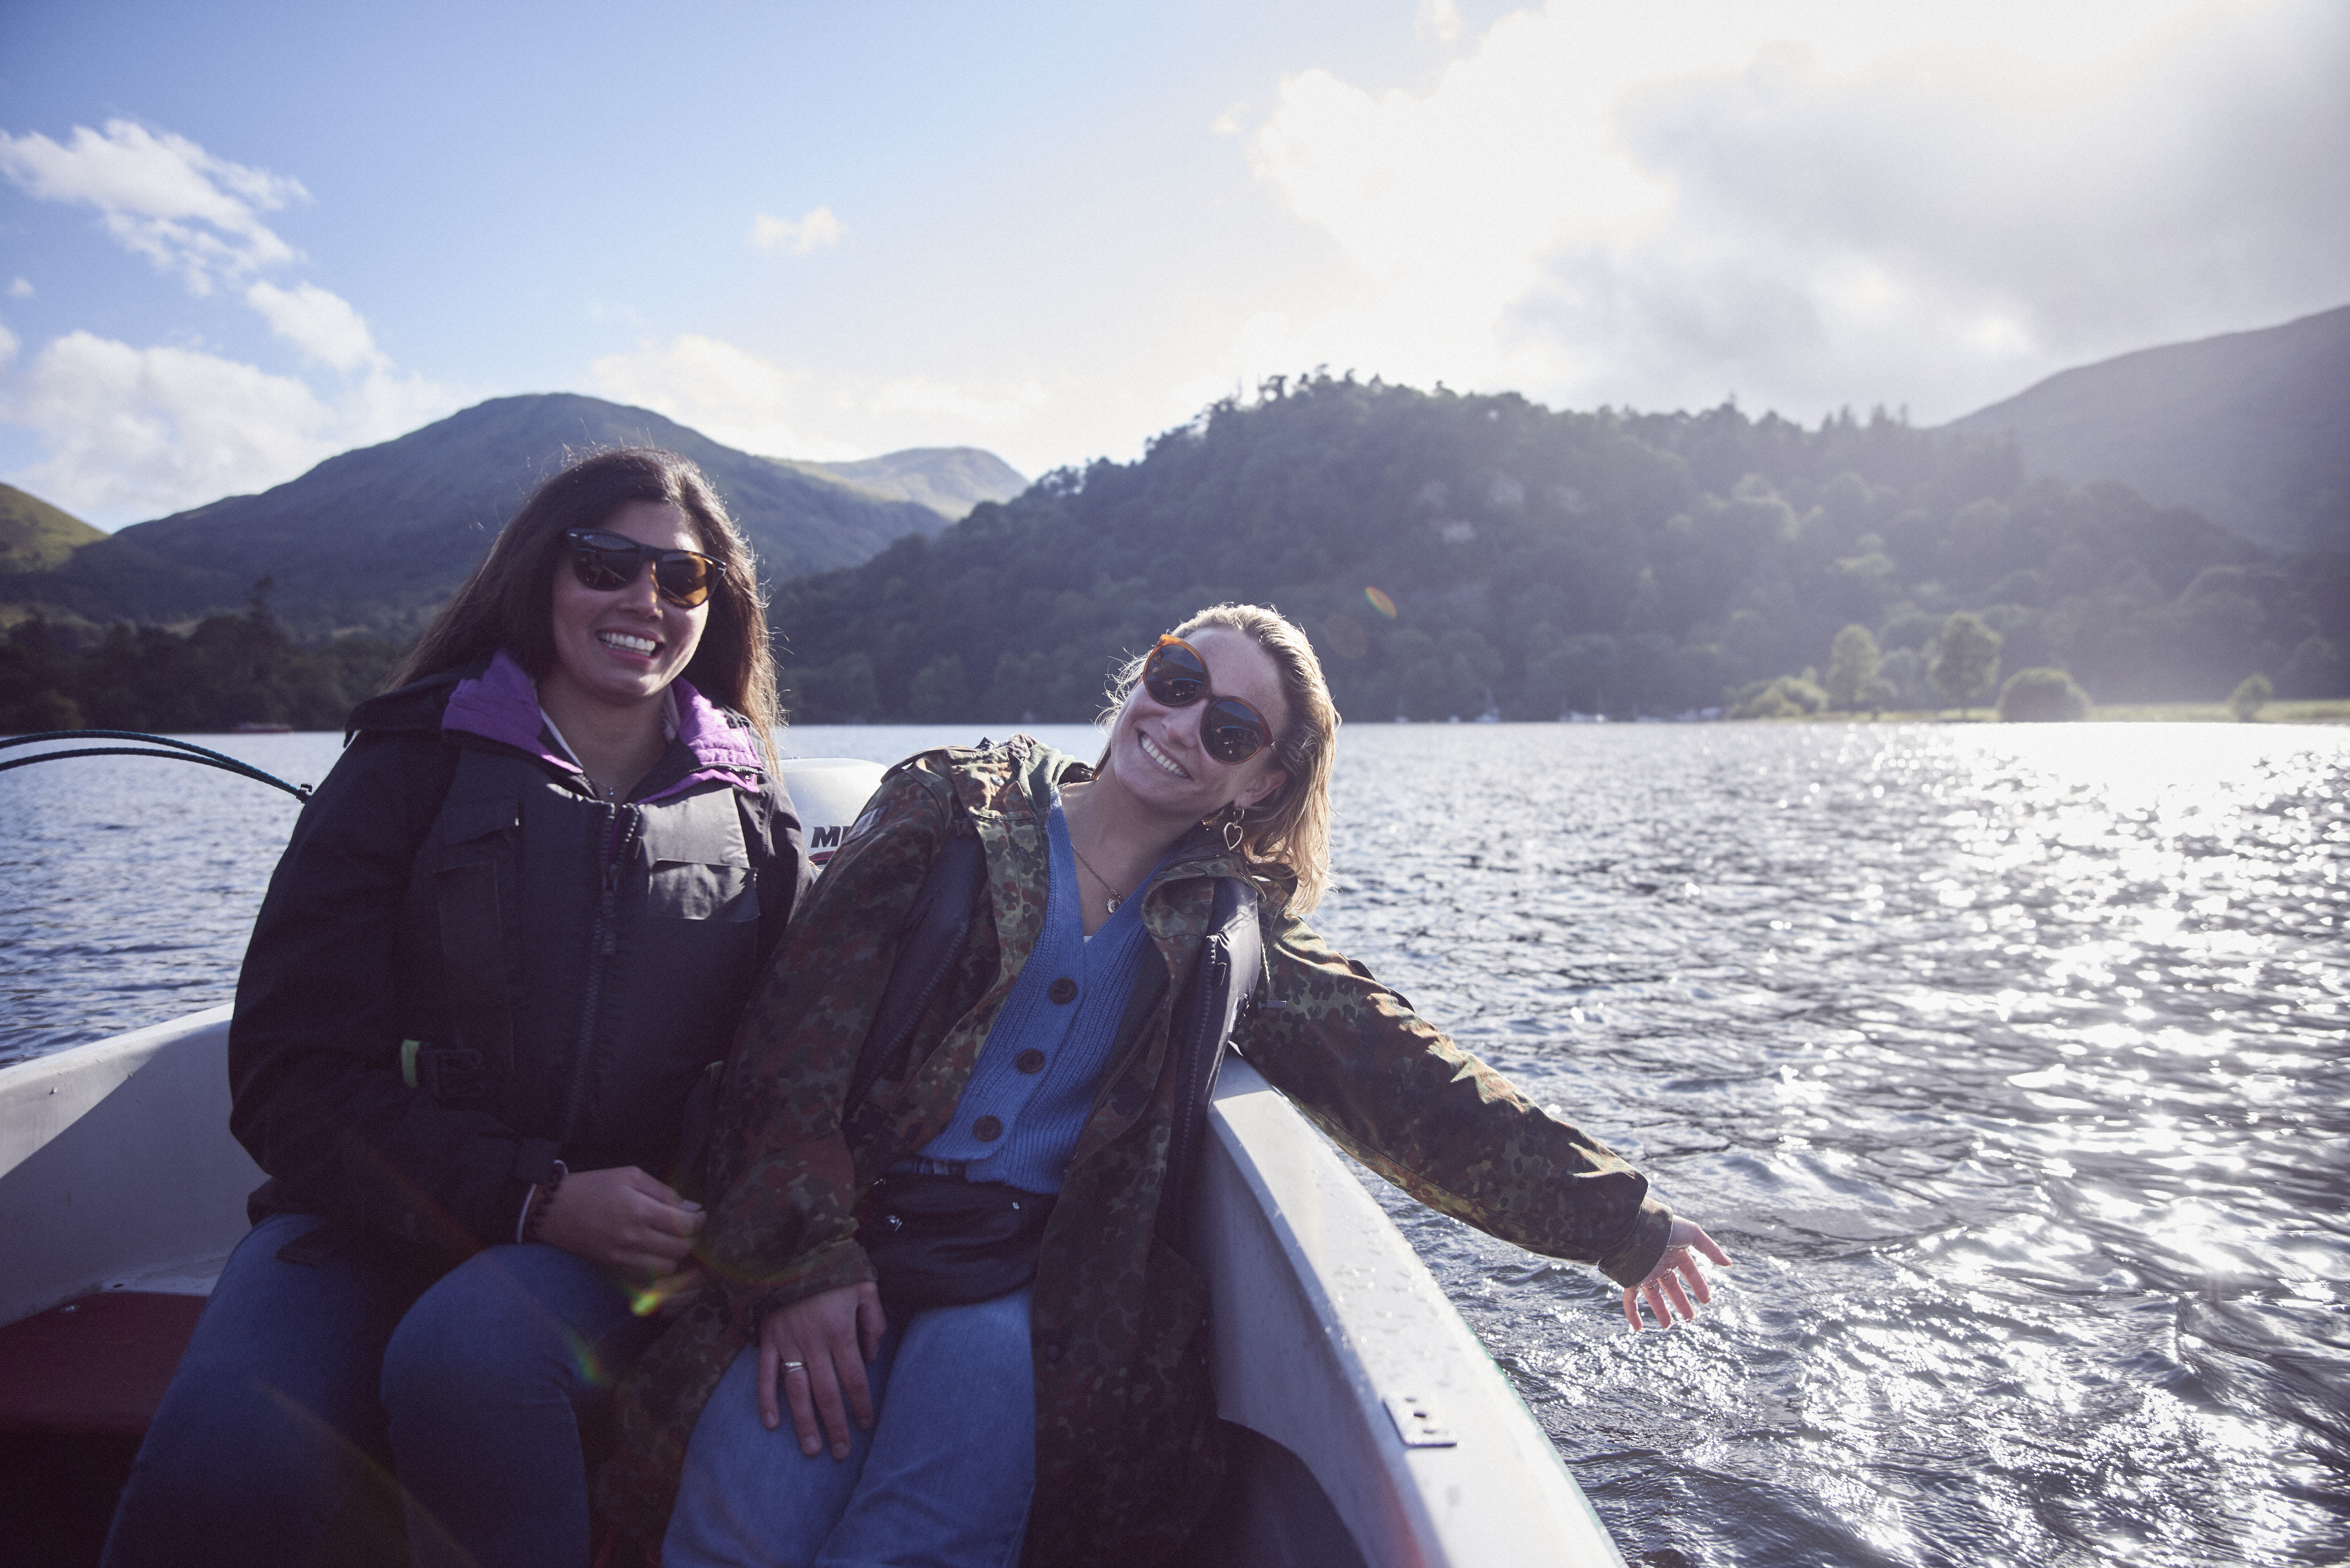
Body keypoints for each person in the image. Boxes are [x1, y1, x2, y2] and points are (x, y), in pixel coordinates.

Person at [600, 603, 1731, 1568]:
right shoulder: (950, 812)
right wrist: (800, 1261)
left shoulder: (1229, 930)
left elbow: (1412, 1084)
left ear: (1264, 776)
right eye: (1176, 679)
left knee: (920, 1548)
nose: (1181, 724)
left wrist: (1623, 1222)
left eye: (1228, 727)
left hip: (1020, 1283)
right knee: (736, 1534)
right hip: (839, 1236)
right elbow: (791, 1040)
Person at [102, 448, 812, 1568]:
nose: (644, 601)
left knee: (471, 1361)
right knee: (229, 1460)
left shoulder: (755, 823)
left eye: (682, 580)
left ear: (713, 606)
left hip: (604, 1262)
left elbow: (790, 1072)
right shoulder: (405, 768)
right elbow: (289, 1076)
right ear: (541, 575)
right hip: (358, 1225)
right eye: (606, 565)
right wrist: (534, 1195)